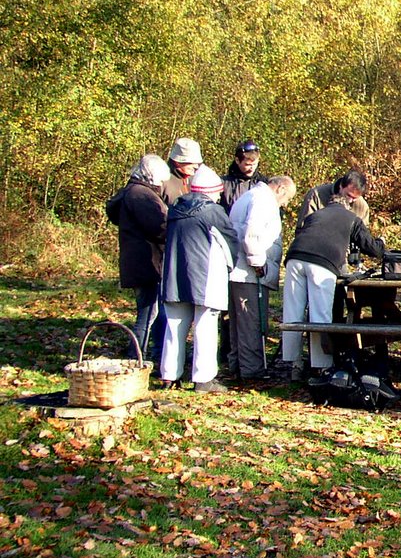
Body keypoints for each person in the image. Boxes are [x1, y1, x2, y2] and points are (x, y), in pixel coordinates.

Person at [282, 190, 386, 377]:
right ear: (346, 205)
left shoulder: (314, 215)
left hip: (294, 258)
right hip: (322, 263)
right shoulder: (351, 218)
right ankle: (322, 365)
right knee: (320, 315)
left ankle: (293, 364)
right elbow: (371, 247)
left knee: (292, 313)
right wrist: (382, 245)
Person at [159, 165, 238, 393]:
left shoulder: (174, 209)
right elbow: (229, 242)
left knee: (174, 327)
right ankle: (203, 379)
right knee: (205, 328)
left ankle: (169, 375)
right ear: (211, 191)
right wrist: (230, 266)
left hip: (174, 275)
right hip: (206, 277)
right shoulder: (213, 212)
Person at [228, 176, 297, 380]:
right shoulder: (262, 201)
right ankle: (252, 371)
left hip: (240, 270)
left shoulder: (250, 195)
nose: (285, 204)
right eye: (287, 198)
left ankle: (238, 366)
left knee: (238, 323)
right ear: (281, 189)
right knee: (251, 323)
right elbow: (252, 235)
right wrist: (258, 264)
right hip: (249, 272)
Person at [106, 154, 170, 360]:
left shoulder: (131, 192)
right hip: (147, 263)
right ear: (152, 176)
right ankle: (135, 357)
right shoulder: (142, 196)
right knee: (147, 314)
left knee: (152, 312)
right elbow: (161, 227)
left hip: (138, 262)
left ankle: (152, 354)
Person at [296, 170, 370, 231]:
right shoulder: (316, 196)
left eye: (354, 198)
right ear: (341, 186)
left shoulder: (362, 207)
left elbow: (362, 237)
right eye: (348, 195)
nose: (350, 200)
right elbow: (303, 228)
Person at [221, 139, 266, 212]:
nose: (252, 168)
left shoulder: (264, 183)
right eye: (247, 164)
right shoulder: (223, 183)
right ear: (237, 160)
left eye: (254, 164)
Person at [163, 138, 203, 205]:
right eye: (191, 162)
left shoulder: (195, 179)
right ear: (177, 162)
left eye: (198, 163)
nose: (196, 167)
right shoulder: (163, 181)